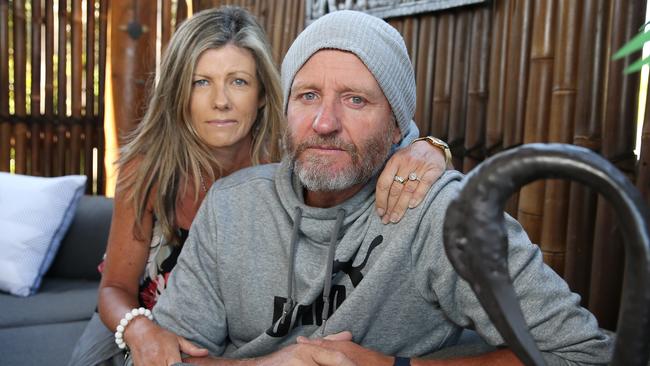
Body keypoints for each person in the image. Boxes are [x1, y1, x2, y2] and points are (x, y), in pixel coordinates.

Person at [150, 9, 613, 366]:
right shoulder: (232, 205)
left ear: (398, 127)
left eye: (355, 100)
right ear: (285, 108)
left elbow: (581, 353)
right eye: (308, 95)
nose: (325, 122)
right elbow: (160, 354)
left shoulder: (442, 215)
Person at [69, 6, 448, 366]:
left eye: (238, 81)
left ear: (265, 92)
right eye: (202, 82)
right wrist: (138, 329)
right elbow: (113, 287)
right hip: (141, 316)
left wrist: (430, 148)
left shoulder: (291, 160)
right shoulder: (149, 170)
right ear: (178, 93)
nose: (221, 101)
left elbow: (379, 135)